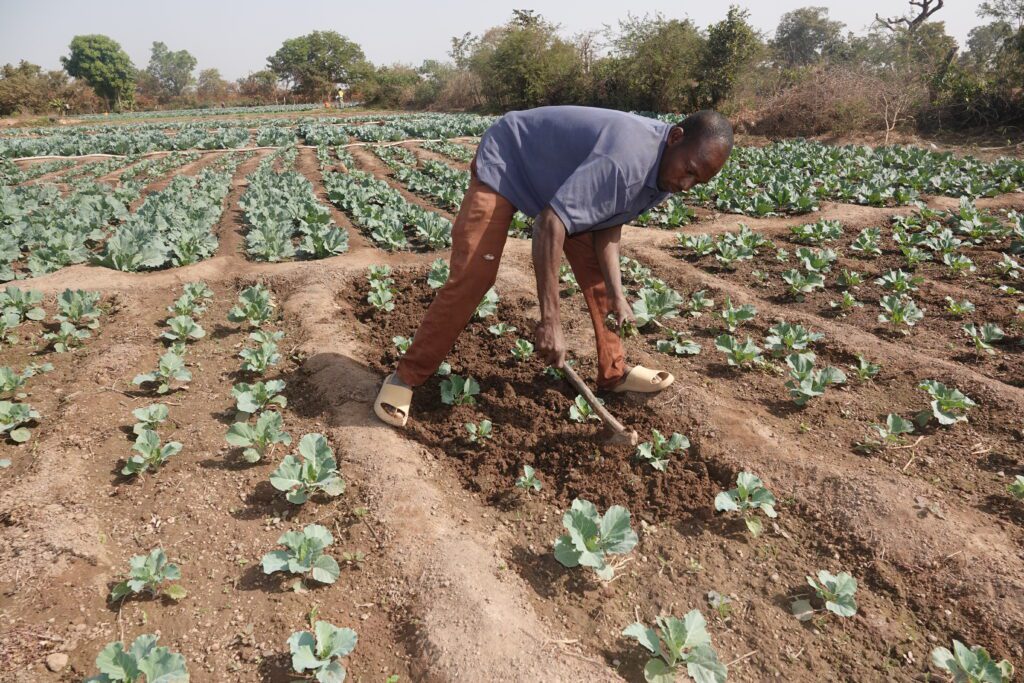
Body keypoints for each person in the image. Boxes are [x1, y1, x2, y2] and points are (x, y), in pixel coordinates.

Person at [375, 106, 733, 427]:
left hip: (559, 185)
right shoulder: (626, 159)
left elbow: (609, 222)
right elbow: (549, 224)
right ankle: (405, 377)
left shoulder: (668, 169)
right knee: (474, 275)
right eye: (688, 171)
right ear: (675, 137)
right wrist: (550, 322)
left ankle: (614, 372)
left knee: (598, 280)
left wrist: (618, 294)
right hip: (510, 159)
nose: (686, 185)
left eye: (698, 181)